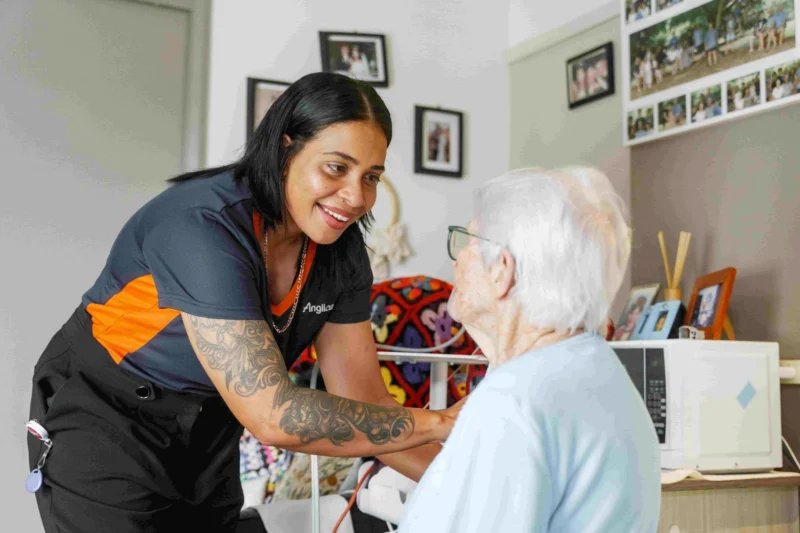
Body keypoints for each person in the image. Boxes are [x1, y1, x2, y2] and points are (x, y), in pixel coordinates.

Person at [26, 72, 462, 533]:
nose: (356, 197)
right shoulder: (200, 227)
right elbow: (273, 415)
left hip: (212, 426)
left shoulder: (341, 252)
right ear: (286, 148)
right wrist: (438, 422)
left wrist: (478, 493)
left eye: (370, 176)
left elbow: (364, 400)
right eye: (337, 168)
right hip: (110, 416)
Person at [398, 167, 661, 532]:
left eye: (466, 242)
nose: (455, 260)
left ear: (502, 270)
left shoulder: (512, 400)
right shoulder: (609, 378)